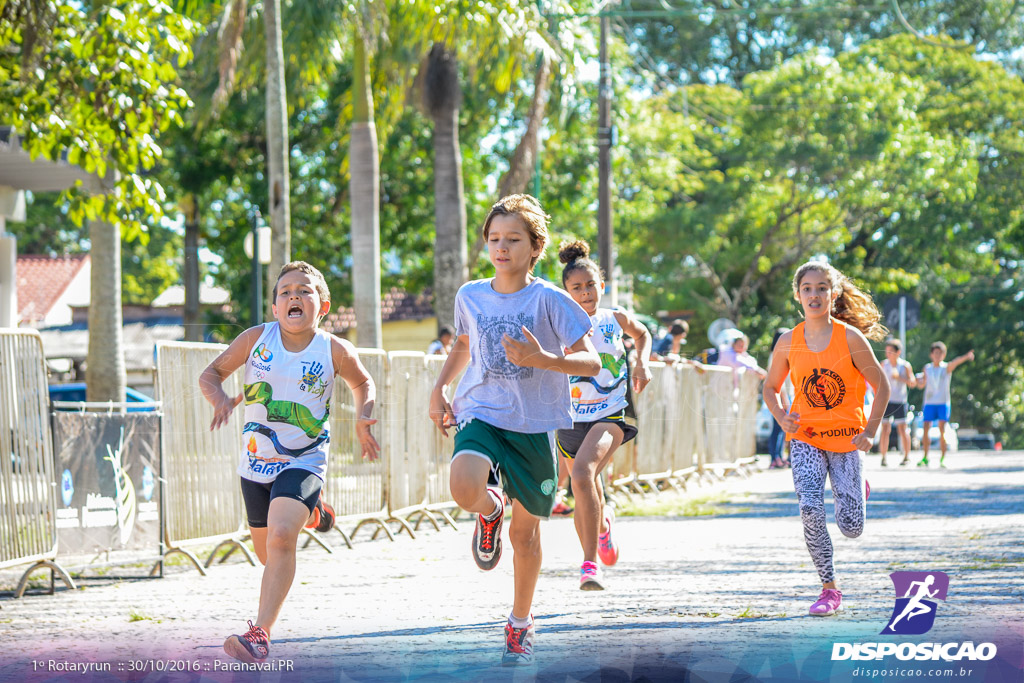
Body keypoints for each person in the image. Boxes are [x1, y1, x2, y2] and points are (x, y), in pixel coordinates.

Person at [428, 195, 600, 666]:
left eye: (513, 240)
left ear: (534, 247)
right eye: (494, 239)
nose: (501, 248)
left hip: (535, 425)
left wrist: (543, 359)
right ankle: (489, 509)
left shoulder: (550, 299)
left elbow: (592, 360)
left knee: (525, 537)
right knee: (464, 483)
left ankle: (520, 623)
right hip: (481, 410)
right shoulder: (470, 295)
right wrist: (440, 387)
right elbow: (464, 345)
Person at [199, 261, 380, 664]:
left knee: (282, 537)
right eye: (285, 292)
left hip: (305, 458)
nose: (294, 296)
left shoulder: (333, 349)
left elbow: (362, 382)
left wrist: (364, 418)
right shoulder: (255, 339)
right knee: (269, 557)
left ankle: (259, 636)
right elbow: (209, 374)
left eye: (305, 290)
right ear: (276, 307)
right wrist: (220, 398)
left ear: (324, 304)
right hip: (255, 463)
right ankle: (313, 512)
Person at [763, 260, 890, 617]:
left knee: (851, 527)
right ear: (798, 295)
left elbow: (882, 386)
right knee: (809, 507)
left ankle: (857, 486)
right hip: (806, 437)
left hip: (848, 440)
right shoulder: (789, 341)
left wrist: (870, 432)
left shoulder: (850, 338)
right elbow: (770, 387)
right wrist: (782, 416)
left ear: (833, 294)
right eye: (807, 288)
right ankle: (829, 588)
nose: (814, 294)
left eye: (822, 288)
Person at [556, 239, 652, 591]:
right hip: (569, 418)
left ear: (602, 286)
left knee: (581, 476)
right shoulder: (557, 323)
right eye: (576, 288)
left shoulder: (614, 318)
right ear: (566, 292)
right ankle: (604, 524)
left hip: (613, 412)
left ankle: (589, 565)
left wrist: (641, 361)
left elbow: (641, 333)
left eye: (591, 285)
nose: (585, 293)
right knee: (584, 489)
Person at [916, 342, 974, 468]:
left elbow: (956, 362)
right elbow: (922, 384)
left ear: (944, 355)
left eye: (940, 353)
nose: (937, 355)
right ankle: (926, 457)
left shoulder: (946, 367)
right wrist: (918, 382)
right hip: (929, 402)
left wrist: (967, 356)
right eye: (935, 353)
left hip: (943, 403)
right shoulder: (927, 368)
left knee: (942, 429)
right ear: (931, 354)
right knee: (926, 429)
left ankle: (943, 458)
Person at [878, 339, 916, 467]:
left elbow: (913, 382)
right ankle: (883, 457)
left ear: (898, 352)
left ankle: (906, 456)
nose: (888, 354)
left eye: (891, 351)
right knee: (885, 428)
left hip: (900, 400)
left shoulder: (904, 365)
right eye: (887, 351)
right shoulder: (883, 364)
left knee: (903, 428)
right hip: (886, 400)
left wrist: (899, 378)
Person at [765, 328, 793, 469]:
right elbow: (776, 381)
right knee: (778, 427)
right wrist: (784, 399)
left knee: (784, 430)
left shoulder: (786, 352)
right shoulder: (776, 354)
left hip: (788, 395)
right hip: (781, 396)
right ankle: (774, 457)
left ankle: (781, 456)